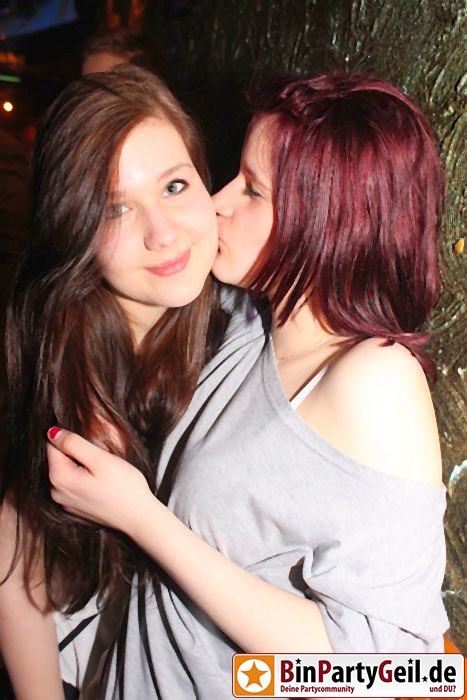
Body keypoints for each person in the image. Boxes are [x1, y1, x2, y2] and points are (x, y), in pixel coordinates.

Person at [46, 72, 449, 698]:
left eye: (253, 189)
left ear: (329, 219)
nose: (218, 202)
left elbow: (400, 673)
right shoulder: (245, 322)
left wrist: (143, 519)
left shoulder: (373, 378)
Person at [0, 64, 261, 699]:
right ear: (75, 226)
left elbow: (389, 665)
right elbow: (18, 532)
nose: (162, 233)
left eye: (174, 185)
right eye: (116, 207)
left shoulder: (255, 337)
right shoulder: (57, 341)